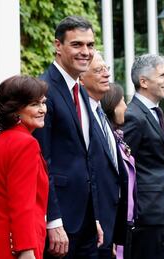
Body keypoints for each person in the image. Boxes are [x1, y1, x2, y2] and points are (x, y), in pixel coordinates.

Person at [33, 16, 101, 258]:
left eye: (90, 45)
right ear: (57, 46)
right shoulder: (43, 90)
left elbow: (86, 156)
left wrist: (95, 215)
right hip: (61, 223)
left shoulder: (80, 90)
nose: (86, 52)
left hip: (86, 220)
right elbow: (42, 162)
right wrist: (53, 220)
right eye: (77, 45)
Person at [122, 54, 164, 259]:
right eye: (163, 75)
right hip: (147, 215)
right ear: (144, 82)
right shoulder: (133, 116)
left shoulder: (156, 112)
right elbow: (125, 167)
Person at [0, 75, 49, 259]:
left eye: (43, 103)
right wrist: (27, 250)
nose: (42, 109)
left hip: (0, 238)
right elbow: (22, 204)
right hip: (20, 245)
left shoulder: (1, 140)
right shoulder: (25, 144)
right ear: (15, 110)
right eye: (34, 104)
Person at [80, 53, 128, 258]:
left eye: (106, 68)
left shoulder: (101, 114)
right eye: (99, 70)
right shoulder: (81, 115)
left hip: (111, 220)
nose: (107, 74)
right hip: (93, 221)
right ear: (81, 78)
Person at [101, 83, 136, 259]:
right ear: (112, 106)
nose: (125, 106)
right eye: (122, 101)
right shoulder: (106, 139)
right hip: (113, 223)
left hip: (127, 221)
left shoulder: (118, 137)